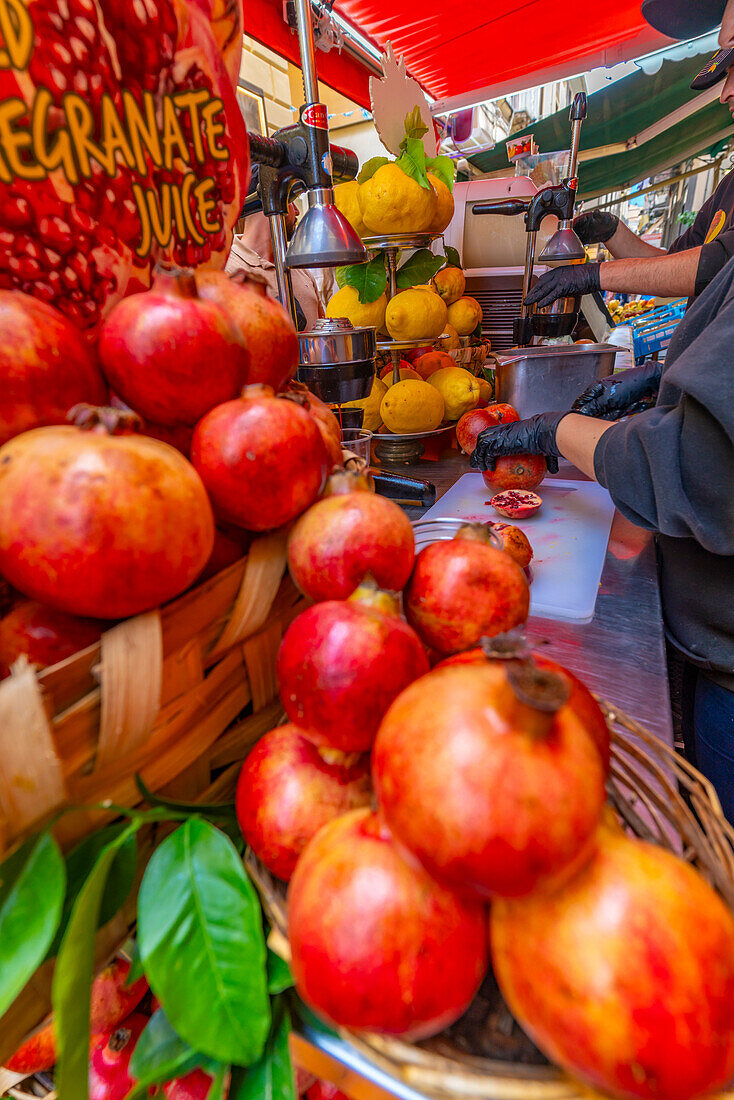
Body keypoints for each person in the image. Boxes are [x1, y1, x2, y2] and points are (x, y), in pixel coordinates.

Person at [471, 256, 734, 816]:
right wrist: (665, 383)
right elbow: (712, 269)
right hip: (710, 633)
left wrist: (558, 430)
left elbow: (696, 465)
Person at [527, 0, 734, 310]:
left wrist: (594, 275)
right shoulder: (728, 188)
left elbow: (715, 266)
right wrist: (611, 230)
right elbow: (673, 266)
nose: (724, 93)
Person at [226, 207, 324, 330]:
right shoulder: (226, 271)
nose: (298, 211)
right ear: (269, 203)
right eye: (291, 201)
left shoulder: (299, 268)